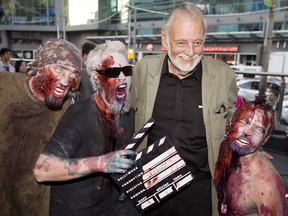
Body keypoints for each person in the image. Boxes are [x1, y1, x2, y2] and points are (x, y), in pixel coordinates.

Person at [131, 2, 238, 216]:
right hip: (152, 186)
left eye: (197, 42)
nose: (190, 52)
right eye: (181, 42)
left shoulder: (223, 75)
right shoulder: (144, 70)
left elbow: (236, 125)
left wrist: (256, 153)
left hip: (198, 191)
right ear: (165, 39)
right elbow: (129, 114)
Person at [33, 40, 137, 215]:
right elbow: (42, 170)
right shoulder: (80, 115)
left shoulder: (128, 112)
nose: (122, 78)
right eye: (112, 72)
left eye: (126, 71)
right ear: (97, 77)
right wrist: (100, 163)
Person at [0, 38, 81, 216]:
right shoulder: (4, 86)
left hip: (35, 206)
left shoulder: (66, 109)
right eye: (60, 69)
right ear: (41, 67)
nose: (66, 80)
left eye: (73, 74)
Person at [214, 94, 286, 215]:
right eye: (244, 122)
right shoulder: (225, 149)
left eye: (258, 129)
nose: (248, 132)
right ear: (231, 122)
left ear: (265, 138)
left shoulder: (267, 187)